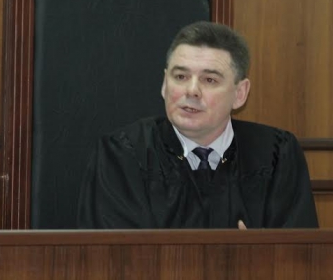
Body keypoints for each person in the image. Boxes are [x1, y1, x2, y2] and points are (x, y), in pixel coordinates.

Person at [77, 21, 318, 229]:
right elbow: (115, 258)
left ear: (240, 94)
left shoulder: (275, 155)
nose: (191, 90)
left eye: (209, 80)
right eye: (180, 77)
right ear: (164, 84)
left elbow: (297, 257)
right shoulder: (123, 154)